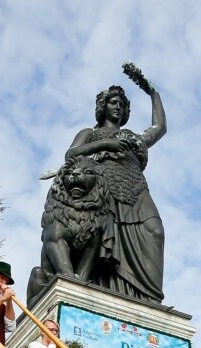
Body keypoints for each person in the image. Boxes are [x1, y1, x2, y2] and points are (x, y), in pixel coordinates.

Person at [62, 65, 167, 304]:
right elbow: (71, 154)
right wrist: (106, 145)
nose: (118, 106)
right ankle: (105, 293)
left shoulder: (132, 137)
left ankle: (149, 301)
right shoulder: (90, 133)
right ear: (103, 106)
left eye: (122, 104)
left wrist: (153, 93)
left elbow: (159, 128)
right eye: (113, 102)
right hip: (104, 188)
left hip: (136, 188)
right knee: (103, 240)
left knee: (155, 232)